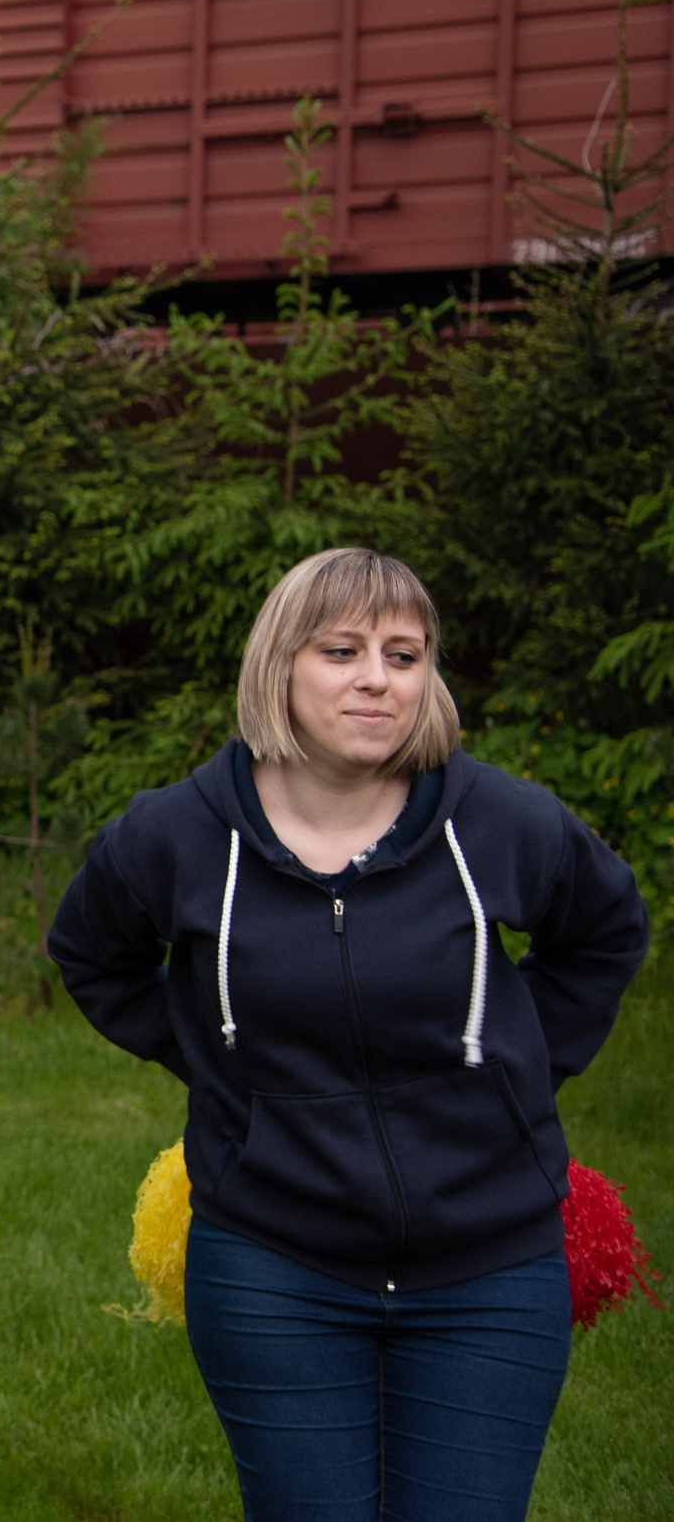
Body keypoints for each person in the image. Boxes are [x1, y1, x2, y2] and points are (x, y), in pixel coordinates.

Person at [49, 548, 650, 1522]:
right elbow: (92, 951)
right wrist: (218, 1061)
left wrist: (518, 1063)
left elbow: (605, 929)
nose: (377, 676)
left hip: (488, 1270)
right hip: (272, 1268)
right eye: (343, 649)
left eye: (404, 654)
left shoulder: (497, 819)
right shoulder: (176, 834)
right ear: (280, 663)